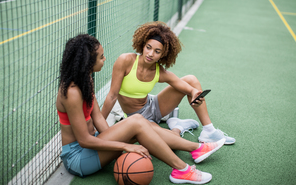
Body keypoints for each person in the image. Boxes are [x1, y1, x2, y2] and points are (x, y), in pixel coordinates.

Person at [56, 34, 225, 184]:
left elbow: (98, 119)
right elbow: (84, 140)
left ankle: (192, 150)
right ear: (88, 61)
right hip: (78, 157)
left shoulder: (85, 80)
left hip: (93, 142)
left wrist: (115, 140)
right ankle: (182, 169)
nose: (104, 59)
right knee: (136, 121)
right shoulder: (71, 93)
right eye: (101, 57)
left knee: (139, 123)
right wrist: (125, 146)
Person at [101, 21, 235, 144]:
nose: (150, 54)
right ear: (143, 44)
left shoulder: (159, 71)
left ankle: (209, 131)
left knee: (191, 80)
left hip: (154, 107)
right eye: (148, 47)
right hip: (136, 118)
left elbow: (186, 85)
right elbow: (112, 96)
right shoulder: (125, 61)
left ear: (163, 54)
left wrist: (194, 92)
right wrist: (100, 128)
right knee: (173, 142)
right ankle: (177, 127)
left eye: (157, 51)